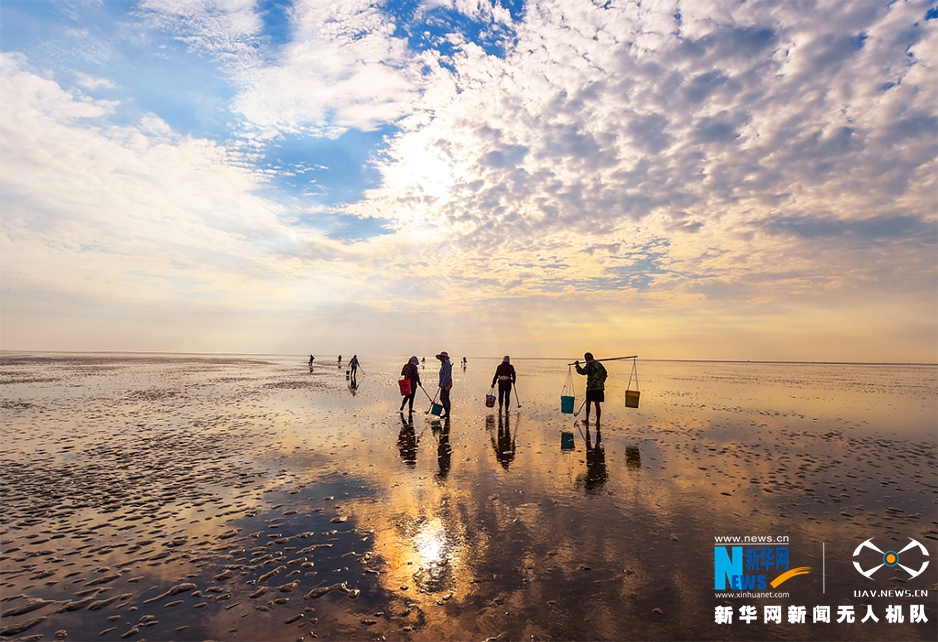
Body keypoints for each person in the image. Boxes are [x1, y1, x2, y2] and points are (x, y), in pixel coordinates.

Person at [575, 352, 607, 425]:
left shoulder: (590, 365)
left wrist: (577, 366)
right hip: (599, 388)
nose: (585, 360)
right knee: (597, 404)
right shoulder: (599, 364)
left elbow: (583, 372)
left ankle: (587, 419)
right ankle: (598, 421)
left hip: (591, 388)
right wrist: (601, 382)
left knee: (588, 403)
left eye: (585, 359)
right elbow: (605, 373)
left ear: (587, 358)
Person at [436, 351, 452, 420]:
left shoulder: (446, 364)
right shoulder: (444, 364)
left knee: (443, 398)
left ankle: (447, 413)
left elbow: (446, 376)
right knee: (445, 398)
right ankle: (447, 413)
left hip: (446, 384)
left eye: (442, 357)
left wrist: (443, 384)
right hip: (445, 383)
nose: (440, 358)